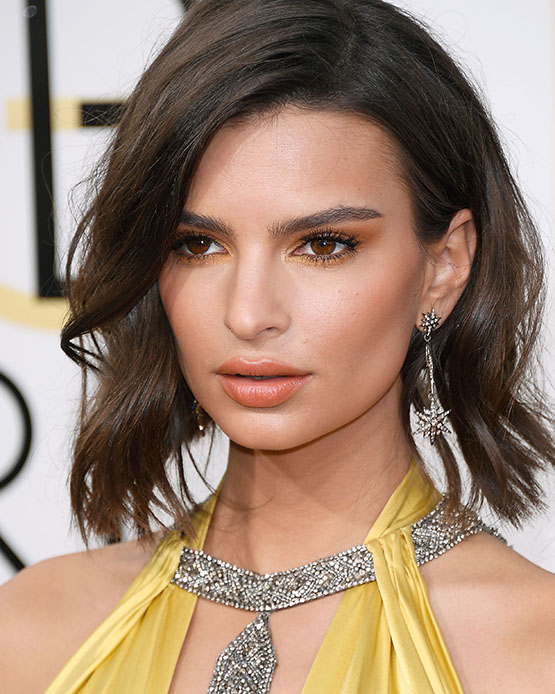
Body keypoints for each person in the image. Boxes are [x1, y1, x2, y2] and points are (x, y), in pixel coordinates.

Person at [2, 0, 555, 691]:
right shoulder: (33, 632)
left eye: (323, 245)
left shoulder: (535, 651)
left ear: (442, 267)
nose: (249, 313)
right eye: (197, 244)